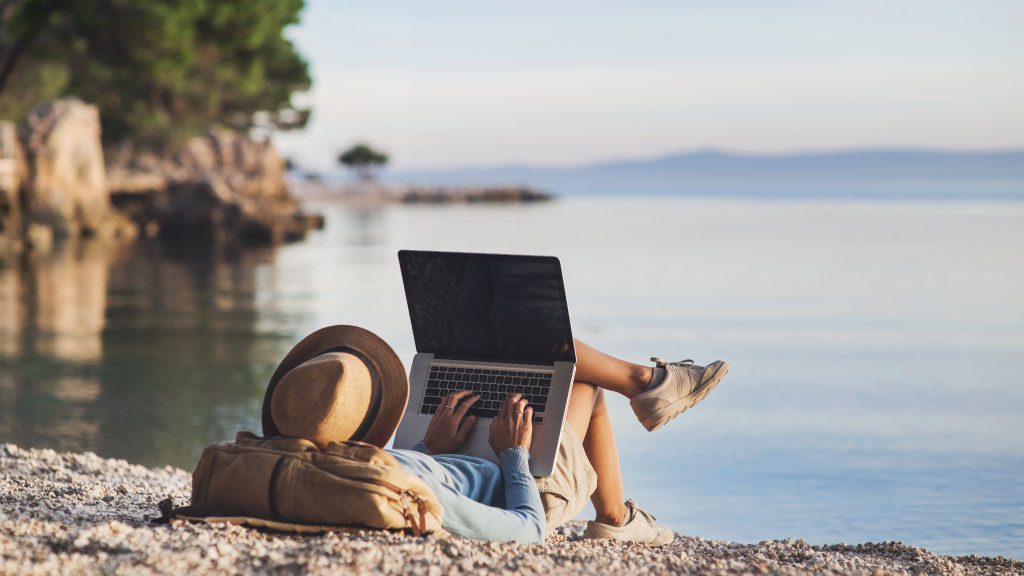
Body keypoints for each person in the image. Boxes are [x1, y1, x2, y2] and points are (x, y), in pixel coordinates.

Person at [261, 326, 728, 546]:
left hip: (451, 456)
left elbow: (407, 469)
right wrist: (514, 455)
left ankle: (648, 386)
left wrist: (429, 449)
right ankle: (616, 515)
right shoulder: (400, 487)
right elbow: (527, 530)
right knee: (577, 377)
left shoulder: (329, 467)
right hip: (524, 488)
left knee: (533, 344)